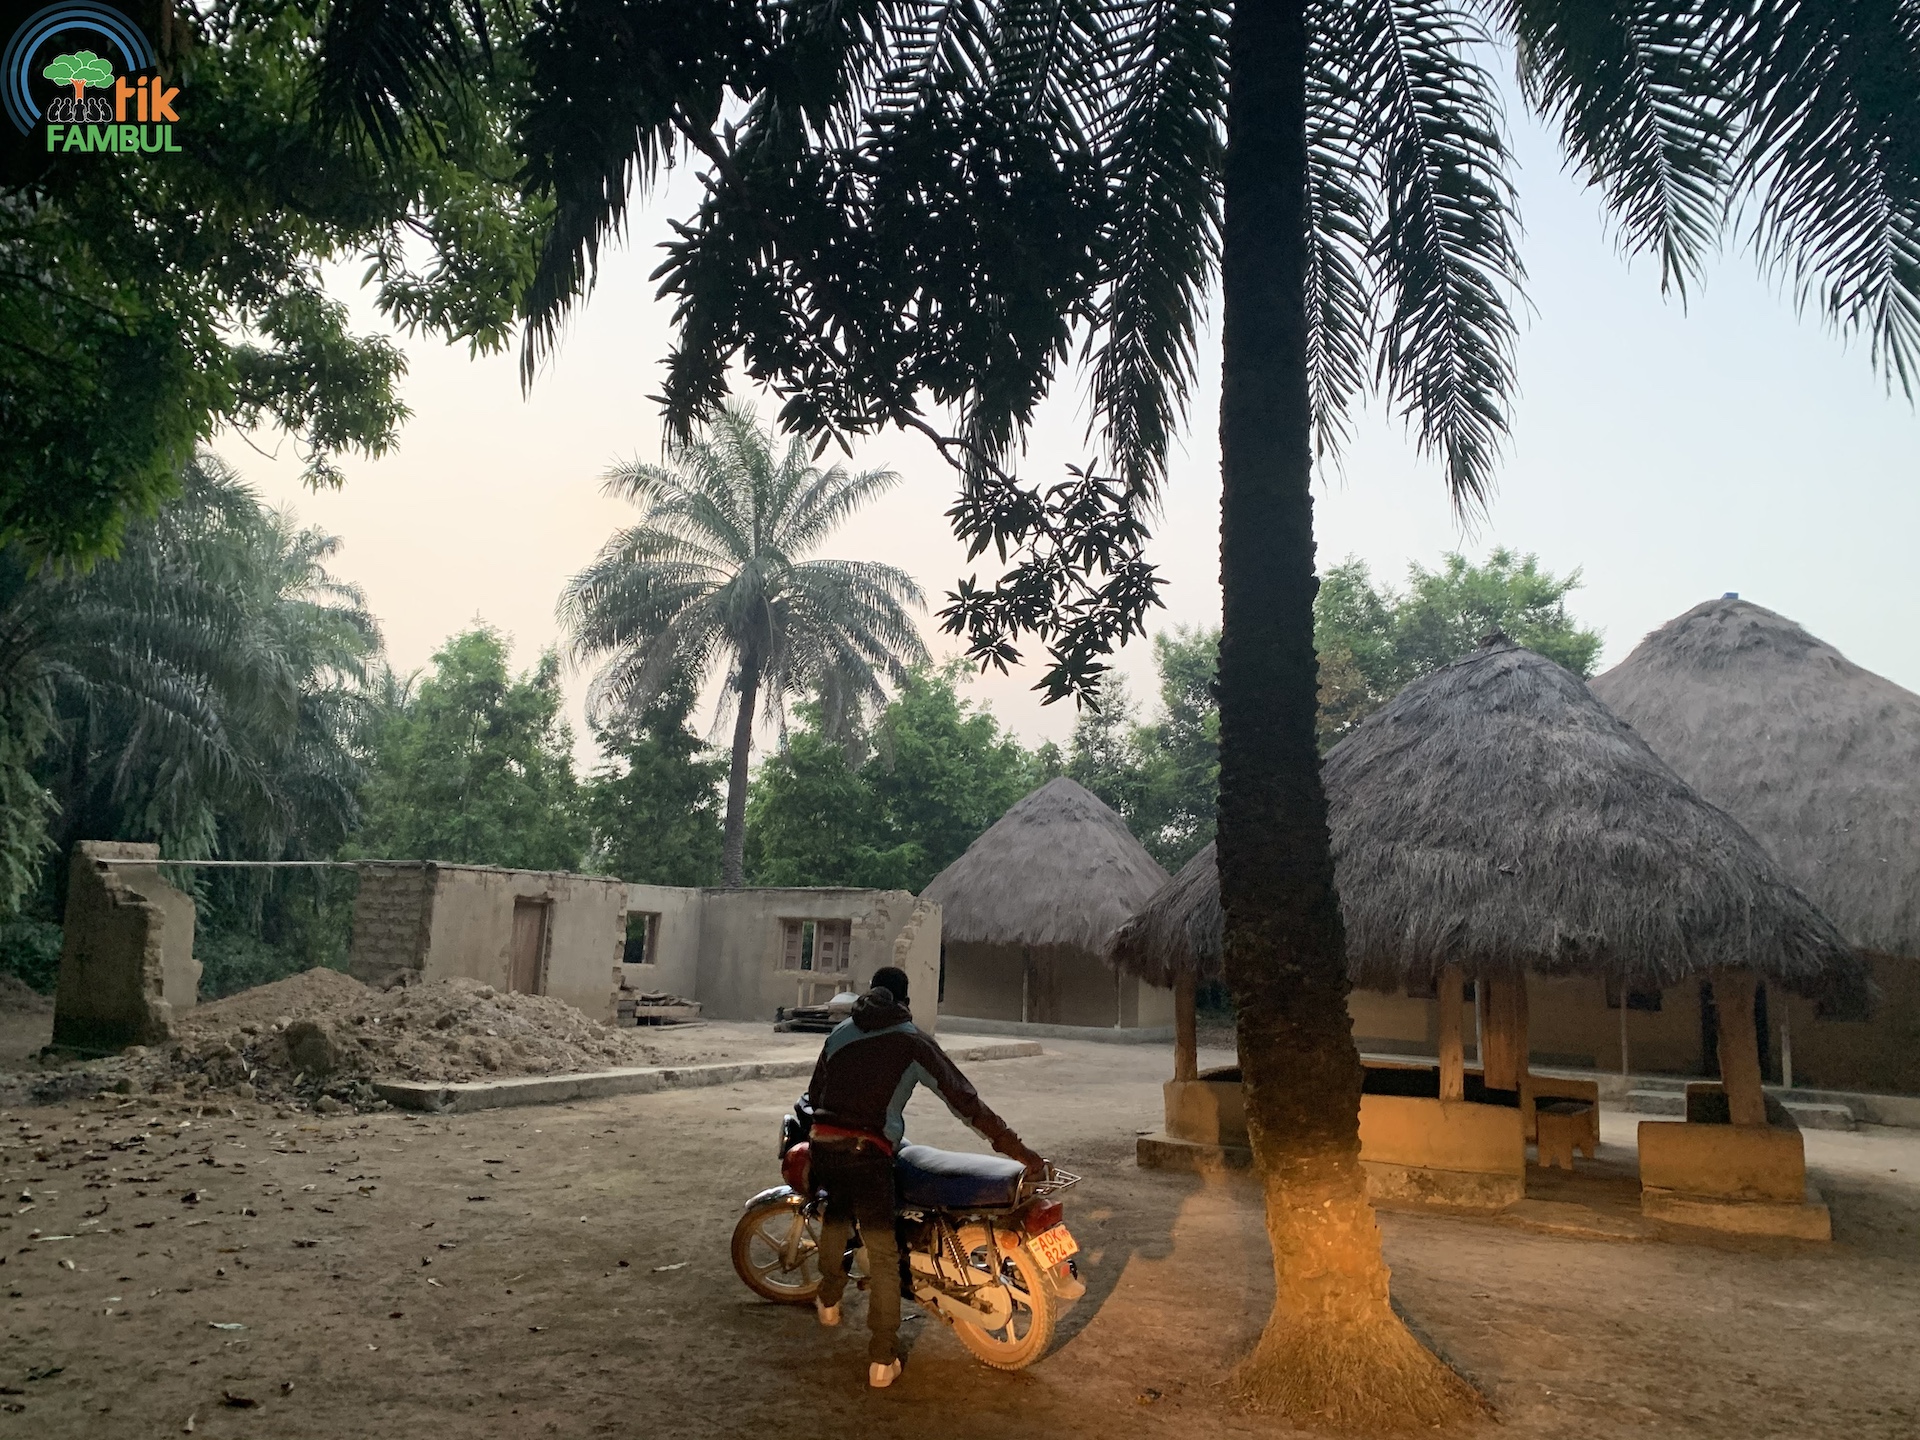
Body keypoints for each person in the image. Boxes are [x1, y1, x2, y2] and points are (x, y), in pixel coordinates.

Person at [797, 964, 1045, 1389]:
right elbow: (965, 1101)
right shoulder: (911, 1041)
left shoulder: (838, 1035)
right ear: (904, 999)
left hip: (824, 1145)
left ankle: (828, 1301)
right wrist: (1020, 1151)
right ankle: (881, 1360)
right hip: (869, 1154)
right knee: (882, 1252)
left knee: (836, 1215)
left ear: (870, 992)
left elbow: (815, 1095)